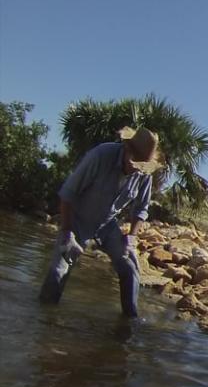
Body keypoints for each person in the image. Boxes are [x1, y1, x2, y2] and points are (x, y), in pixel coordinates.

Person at [39, 126, 160, 317]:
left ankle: (129, 326)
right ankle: (43, 320)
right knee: (57, 272)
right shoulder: (100, 155)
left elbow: (141, 208)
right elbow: (68, 194)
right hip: (78, 219)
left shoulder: (144, 173)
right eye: (134, 163)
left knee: (130, 268)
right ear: (126, 149)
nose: (137, 169)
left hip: (108, 224)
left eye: (142, 165)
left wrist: (132, 237)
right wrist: (67, 232)